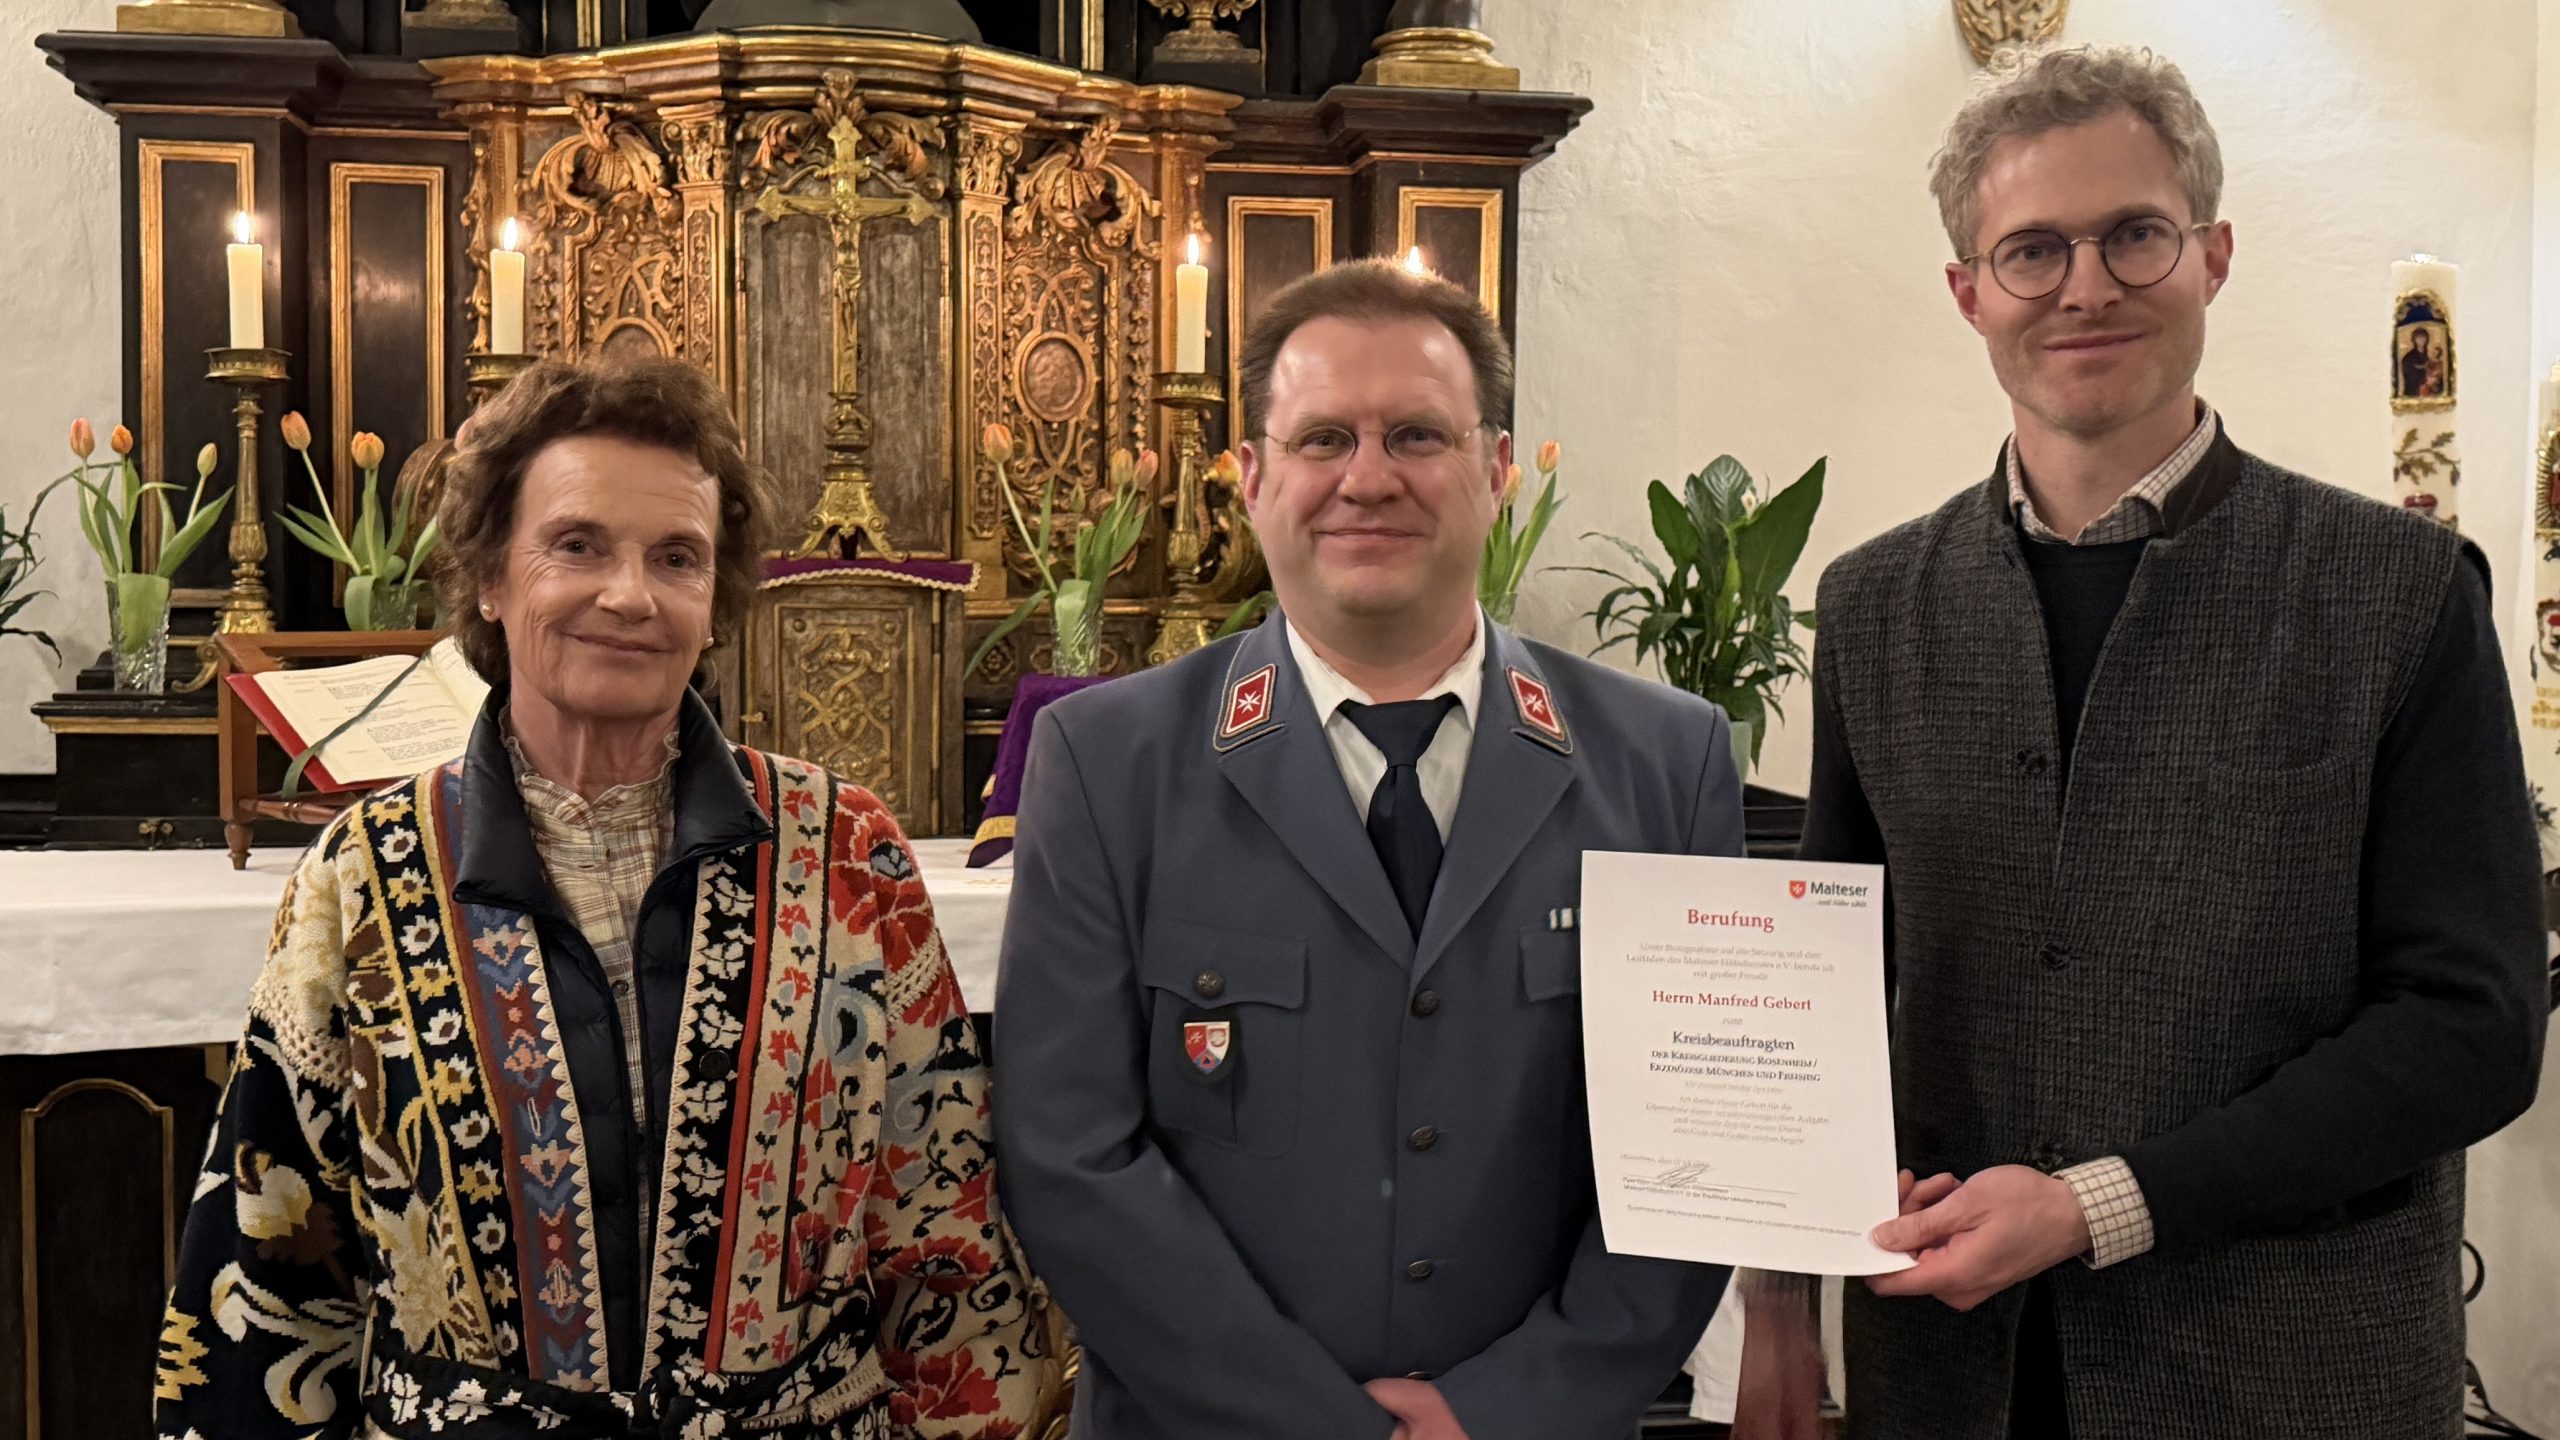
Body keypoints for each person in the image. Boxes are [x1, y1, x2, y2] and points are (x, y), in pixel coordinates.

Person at [1792, 43, 2546, 1440]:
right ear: (1969, 292)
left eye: (2134, 234)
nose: (2086, 286)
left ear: (2212, 254)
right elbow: (1826, 992)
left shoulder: (2399, 594)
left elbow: (2473, 1032)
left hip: (2287, 1378)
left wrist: (2099, 1207)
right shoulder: (1874, 605)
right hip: (1952, 1379)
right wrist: (1770, 1284)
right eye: (2031, 250)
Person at [155, 358, 1052, 1438]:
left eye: (675, 558)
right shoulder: (365, 876)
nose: (628, 594)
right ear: (490, 575)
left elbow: (949, 1255)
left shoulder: (849, 857)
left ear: (713, 604)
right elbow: (268, 1273)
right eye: (576, 545)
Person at [994, 259, 1737, 1440]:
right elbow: (1067, 1155)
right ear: (1247, 480)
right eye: (1323, 437)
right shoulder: (1106, 761)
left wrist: (1502, 1414)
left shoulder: (1665, 763)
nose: (1367, 479)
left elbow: (1706, 1152)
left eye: (1417, 436)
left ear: (1497, 472)